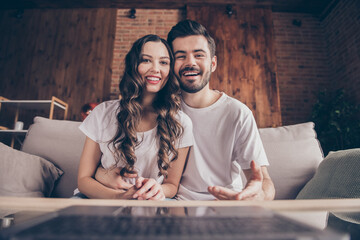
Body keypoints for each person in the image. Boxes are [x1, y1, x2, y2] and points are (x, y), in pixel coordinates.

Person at [96, 20, 275, 201]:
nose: (190, 63)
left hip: (224, 204)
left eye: (199, 55)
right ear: (170, 65)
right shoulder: (158, 108)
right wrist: (101, 174)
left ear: (213, 63)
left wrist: (257, 195)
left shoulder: (238, 113)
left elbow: (264, 182)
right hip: (172, 205)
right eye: (180, 56)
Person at [76, 34, 193, 200]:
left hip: (149, 202)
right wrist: (119, 197)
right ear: (133, 65)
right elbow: (83, 180)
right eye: (146, 60)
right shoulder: (102, 113)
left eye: (164, 62)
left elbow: (172, 186)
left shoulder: (181, 122)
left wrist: (158, 190)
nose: (155, 68)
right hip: (99, 199)